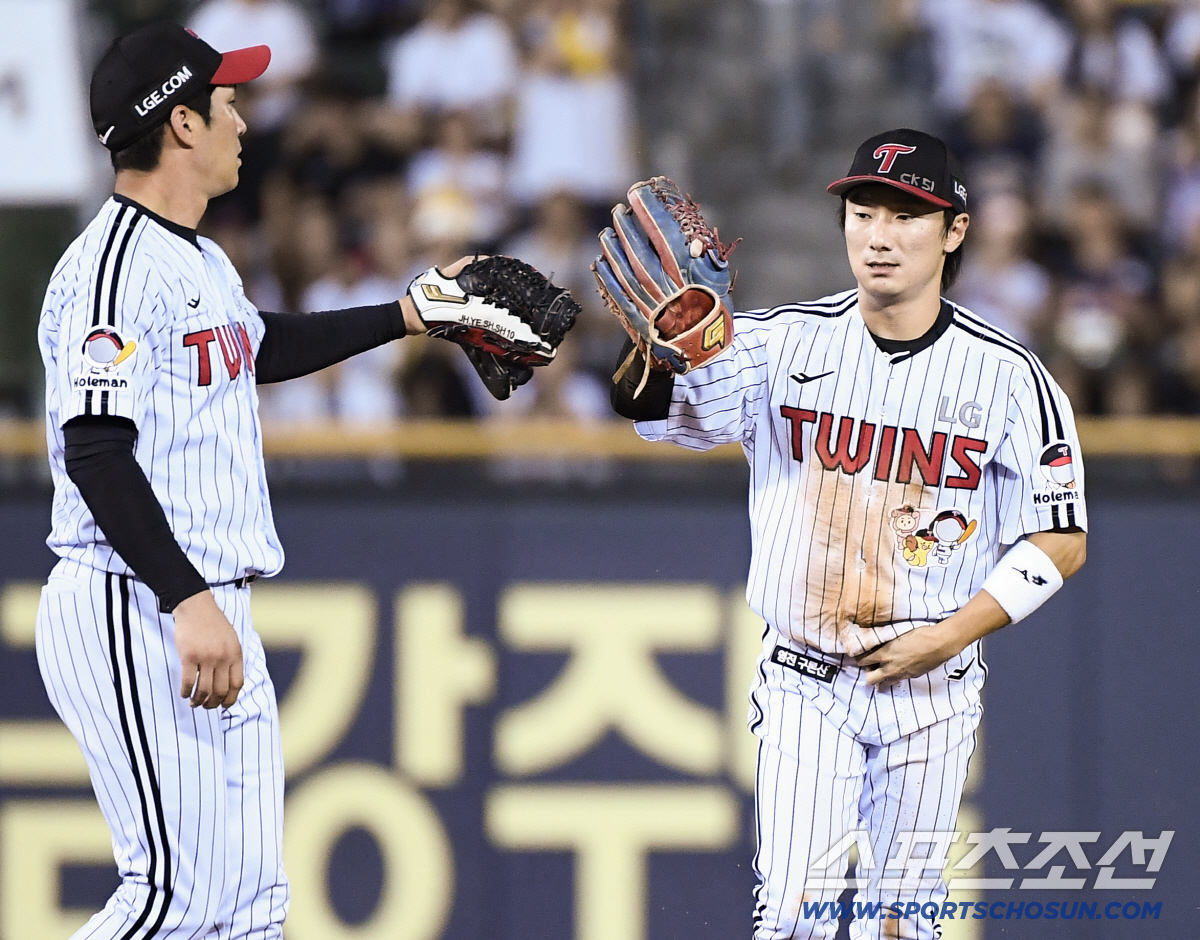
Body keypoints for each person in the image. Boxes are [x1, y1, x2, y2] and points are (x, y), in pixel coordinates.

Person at [35, 22, 552, 939]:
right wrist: (186, 597)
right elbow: (96, 450)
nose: (242, 117)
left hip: (199, 601)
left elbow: (256, 346)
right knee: (171, 898)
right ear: (181, 125)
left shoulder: (197, 257)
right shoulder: (109, 271)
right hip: (139, 601)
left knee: (250, 913)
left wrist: (408, 312)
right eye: (227, 100)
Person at [608, 129, 1088, 939]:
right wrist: (658, 353)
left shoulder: (1012, 377)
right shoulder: (781, 341)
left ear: (954, 232)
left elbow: (1062, 540)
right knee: (796, 918)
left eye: (905, 215)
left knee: (900, 929)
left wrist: (951, 635)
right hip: (804, 676)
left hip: (934, 688)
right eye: (863, 211)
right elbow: (656, 412)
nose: (878, 234)